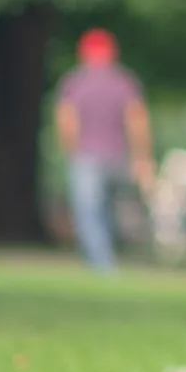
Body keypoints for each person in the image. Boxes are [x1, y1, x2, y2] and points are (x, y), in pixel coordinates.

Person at [54, 29, 154, 274]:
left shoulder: (75, 83)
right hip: (117, 155)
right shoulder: (125, 83)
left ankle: (102, 265)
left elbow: (67, 120)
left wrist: (70, 150)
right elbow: (138, 121)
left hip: (86, 156)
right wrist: (143, 157)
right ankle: (105, 258)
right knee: (106, 209)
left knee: (89, 212)